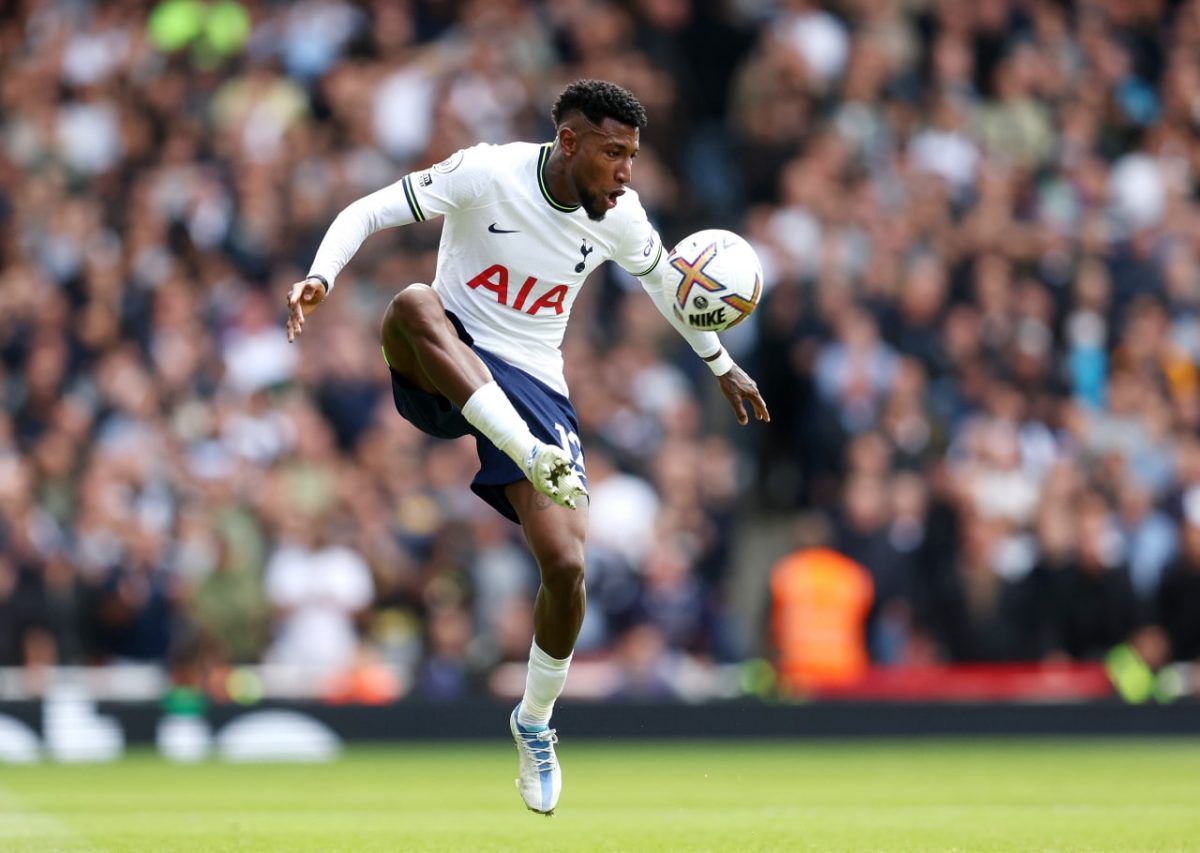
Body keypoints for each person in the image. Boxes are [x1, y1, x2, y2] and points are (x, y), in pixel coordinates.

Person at [286, 79, 769, 815]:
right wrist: (321, 274)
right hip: (447, 350)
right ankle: (523, 446)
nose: (627, 172)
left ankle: (535, 722)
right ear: (569, 143)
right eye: (614, 154)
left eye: (634, 157)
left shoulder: (623, 217)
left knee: (568, 564)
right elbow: (369, 209)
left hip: (533, 376)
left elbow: (673, 289)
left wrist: (721, 363)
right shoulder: (488, 172)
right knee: (411, 302)